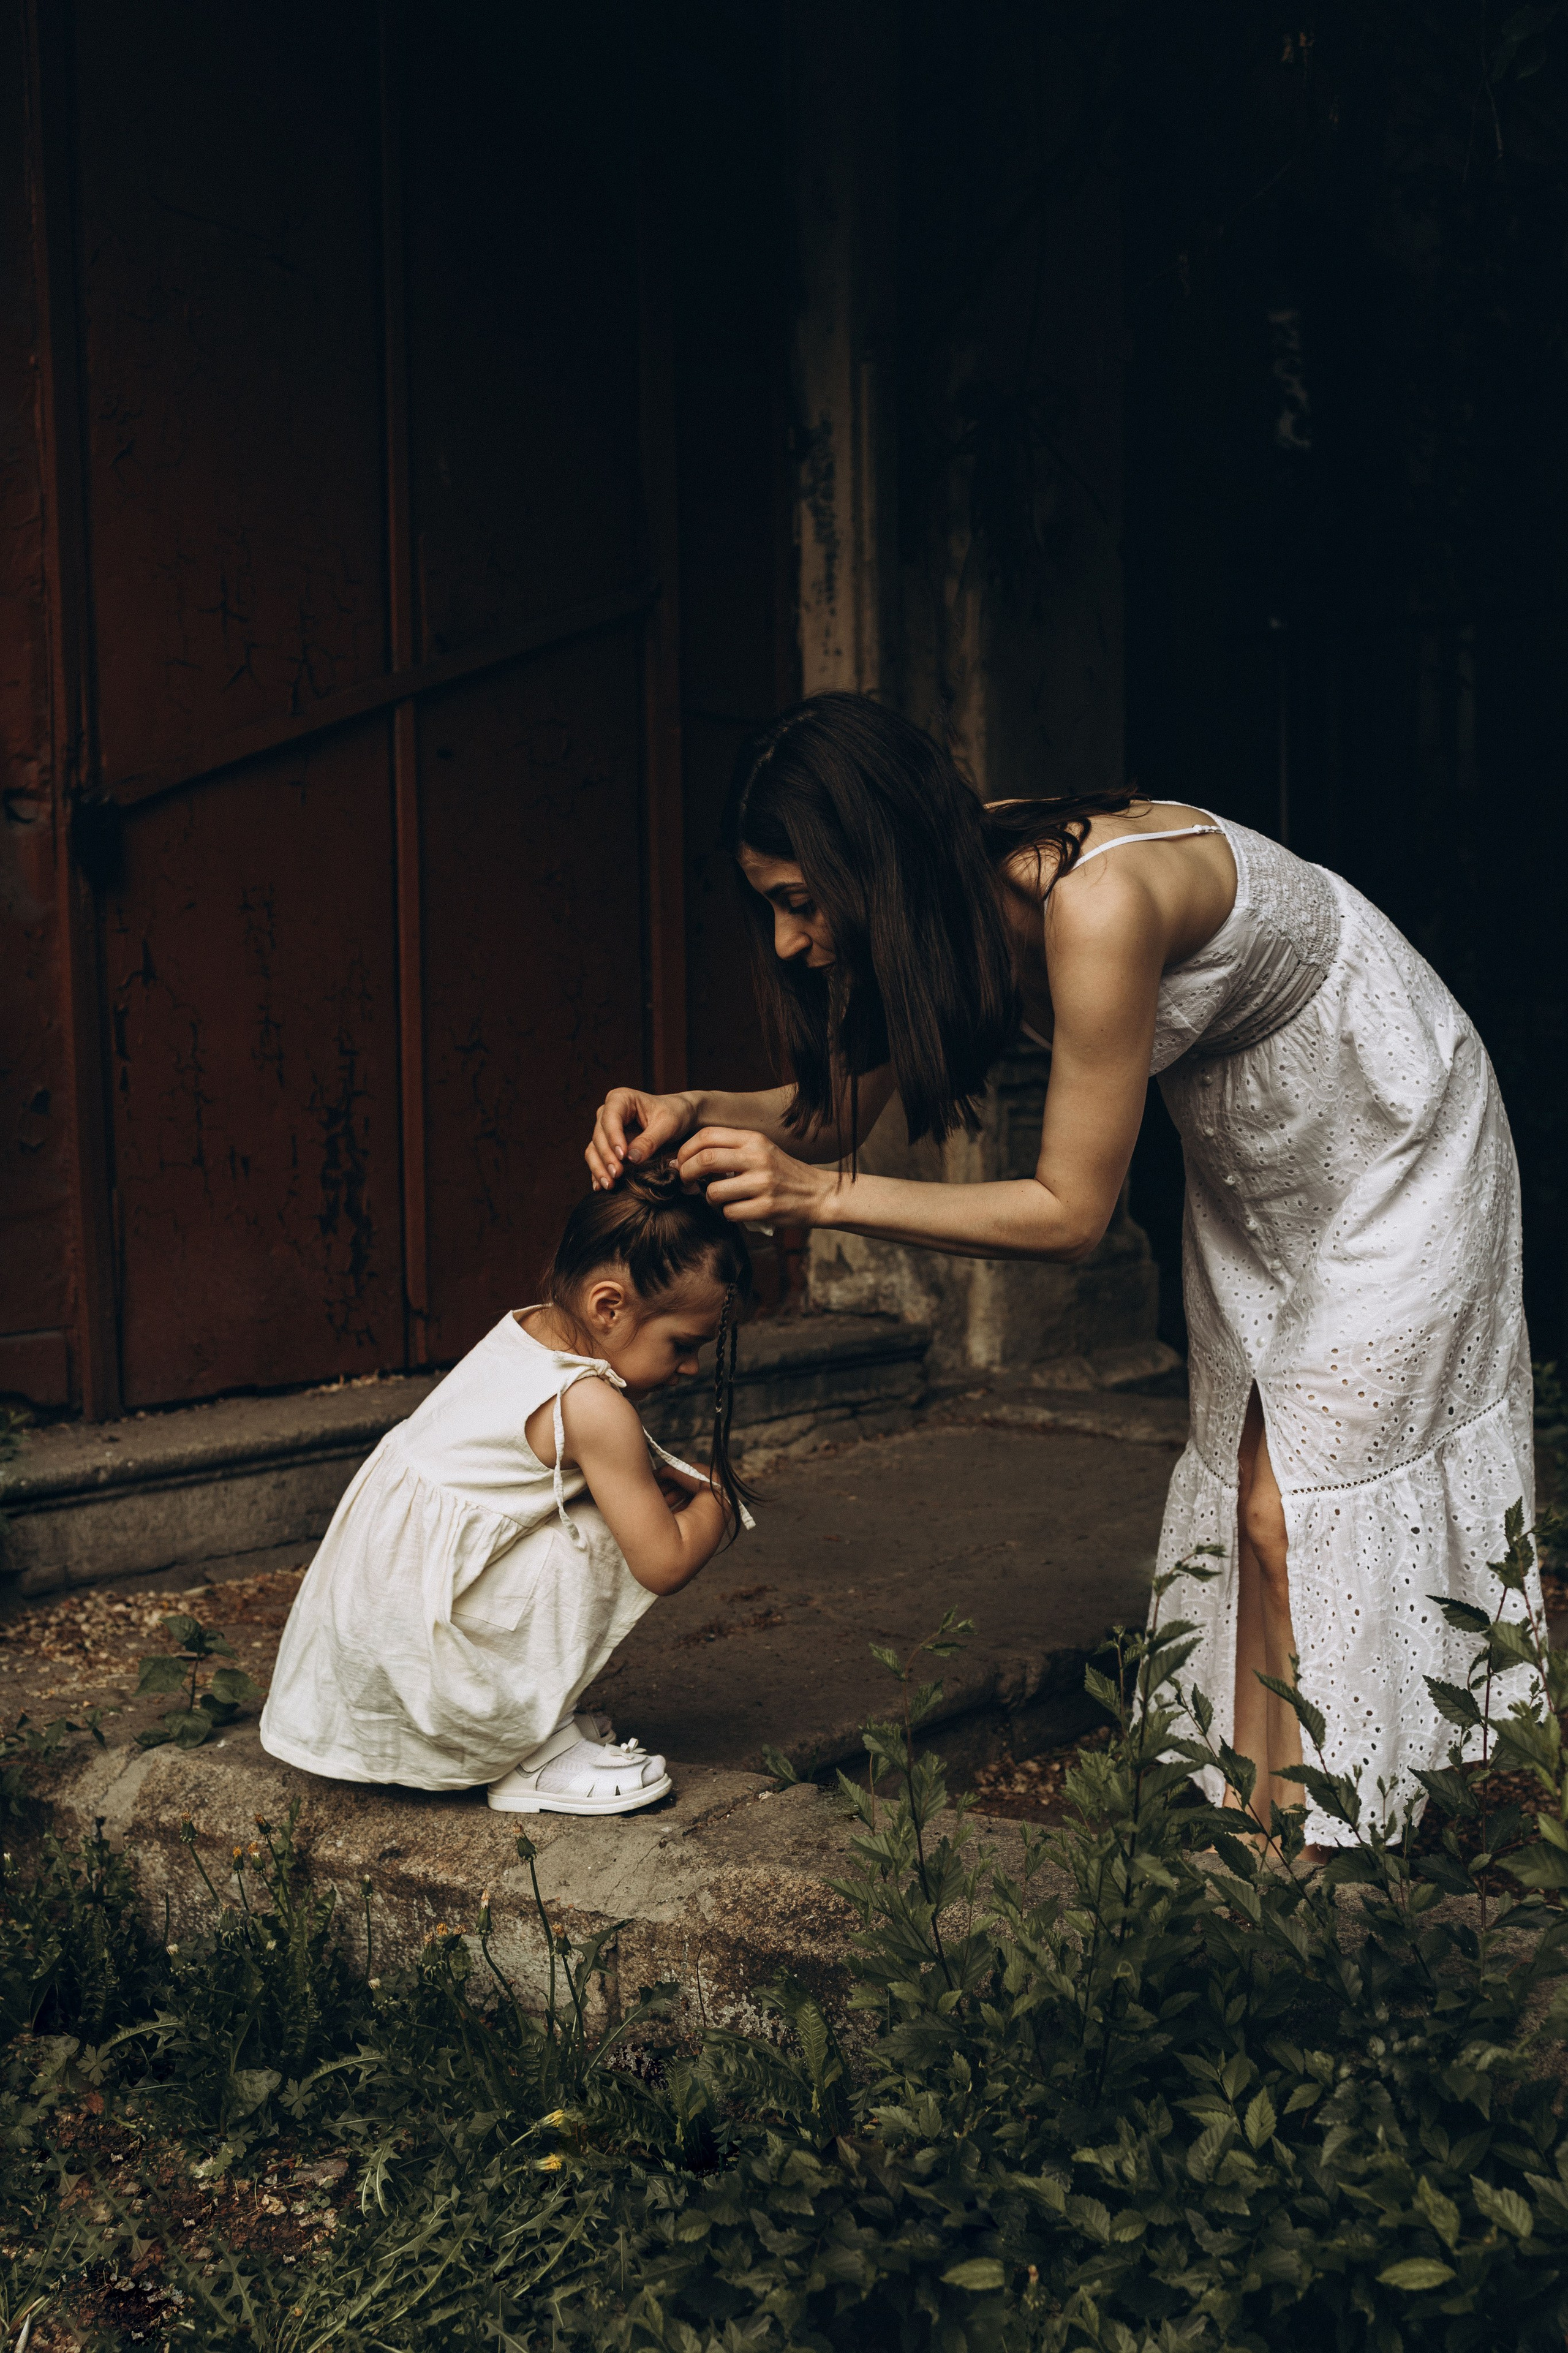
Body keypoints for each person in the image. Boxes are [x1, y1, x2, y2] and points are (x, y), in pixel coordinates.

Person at [586, 692, 1537, 1857]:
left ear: (868, 863)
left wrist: (817, 1201)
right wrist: (694, 1108)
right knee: (1258, 1501)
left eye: (797, 902)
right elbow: (828, 1122)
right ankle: (1264, 1841)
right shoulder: (937, 899)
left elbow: (1069, 1214)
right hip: (1257, 1146)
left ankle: (1315, 1859)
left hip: (1391, 1115)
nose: (787, 941)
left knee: (1290, 1502)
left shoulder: (1095, 904)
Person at [261, 1163, 754, 1815]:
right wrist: (717, 1501)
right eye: (683, 1344)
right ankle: (524, 1755)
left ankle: (524, 1718)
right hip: (422, 1672)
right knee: (613, 1526)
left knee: (598, 1500)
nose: (691, 1367)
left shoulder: (525, 1331)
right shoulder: (592, 1405)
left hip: (372, 1651)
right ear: (608, 1306)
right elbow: (663, 1563)